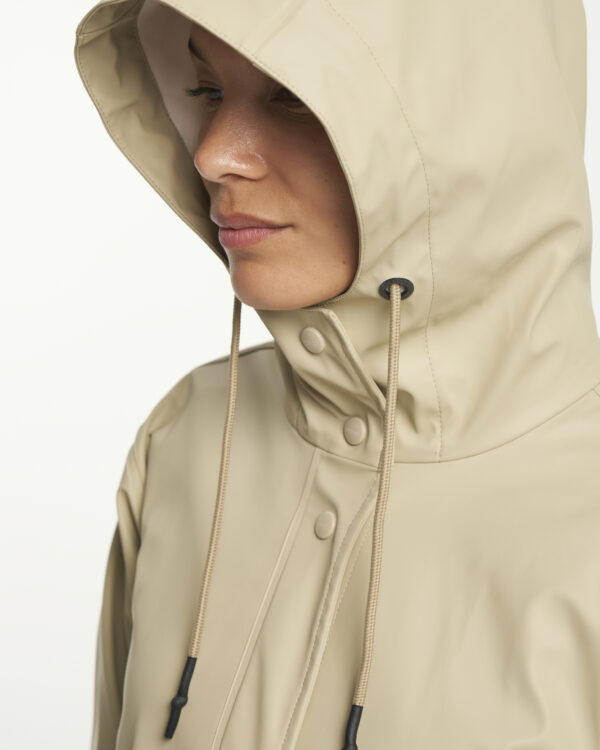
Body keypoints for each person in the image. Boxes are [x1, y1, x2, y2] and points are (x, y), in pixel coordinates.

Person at [74, 0, 600, 748]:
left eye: (294, 95)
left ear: (471, 129)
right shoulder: (188, 438)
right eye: (207, 91)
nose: (213, 153)